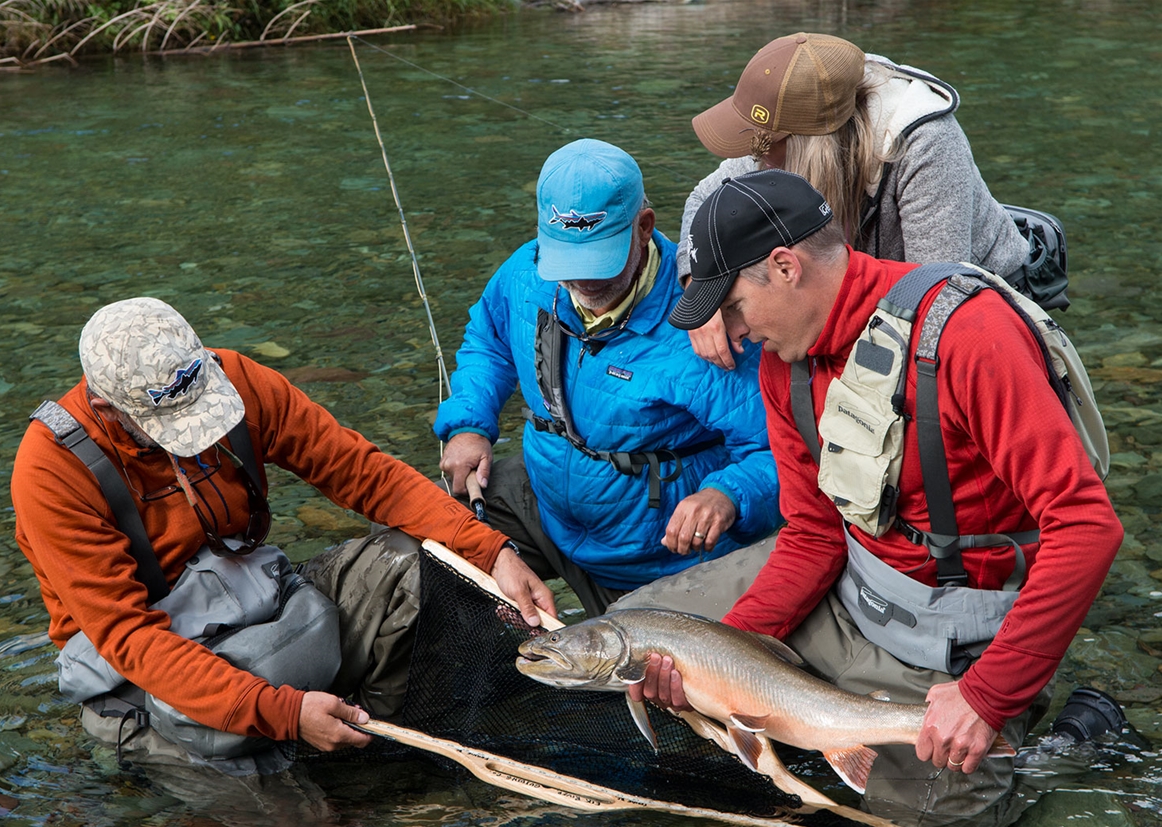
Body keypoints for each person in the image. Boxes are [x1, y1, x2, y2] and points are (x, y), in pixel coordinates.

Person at [624, 170, 1121, 824]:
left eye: (735, 306)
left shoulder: (968, 339)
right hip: (851, 589)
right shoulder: (785, 363)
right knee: (634, 633)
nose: (735, 333)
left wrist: (985, 696)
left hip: (953, 642)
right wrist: (720, 661)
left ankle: (1068, 741)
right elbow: (813, 534)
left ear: (785, 266)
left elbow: (1087, 528)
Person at [12, 297, 555, 770]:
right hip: (148, 675)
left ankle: (373, 743)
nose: (196, 432)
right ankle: (298, 743)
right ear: (106, 405)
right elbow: (131, 637)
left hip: (260, 608)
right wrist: (285, 714)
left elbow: (364, 474)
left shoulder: (235, 380)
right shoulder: (51, 471)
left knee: (410, 561)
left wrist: (491, 551)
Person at [434, 138, 781, 616]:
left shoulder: (709, 329)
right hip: (544, 504)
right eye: (566, 263)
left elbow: (784, 450)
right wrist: (469, 424)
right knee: (420, 531)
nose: (581, 281)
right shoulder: (527, 270)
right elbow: (488, 339)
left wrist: (727, 494)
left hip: (653, 558)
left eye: (598, 260)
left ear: (644, 228)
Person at [677, 32, 1030, 370]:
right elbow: (703, 200)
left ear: (808, 144)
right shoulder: (772, 144)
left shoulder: (926, 143)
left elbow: (935, 299)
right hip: (865, 294)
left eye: (762, 148)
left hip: (978, 305)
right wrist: (706, 294)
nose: (754, 160)